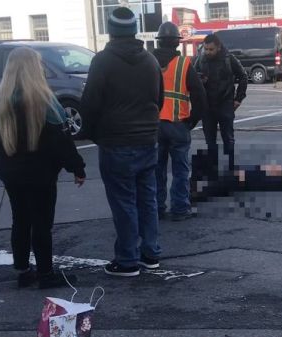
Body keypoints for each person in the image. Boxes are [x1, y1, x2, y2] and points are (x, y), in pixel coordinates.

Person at [0, 47, 86, 289]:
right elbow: (61, 141)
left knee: (20, 219)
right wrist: (77, 168)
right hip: (40, 172)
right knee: (42, 223)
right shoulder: (45, 101)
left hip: (10, 170)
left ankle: (22, 270)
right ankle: (46, 274)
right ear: (34, 68)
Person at [80, 7, 164, 277]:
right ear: (134, 30)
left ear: (111, 30)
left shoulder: (103, 61)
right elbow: (159, 100)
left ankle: (127, 259)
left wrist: (96, 134)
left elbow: (90, 105)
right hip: (148, 140)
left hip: (116, 142)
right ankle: (150, 254)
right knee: (147, 199)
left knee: (124, 202)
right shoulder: (150, 61)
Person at [153, 21, 207, 221]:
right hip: (178, 125)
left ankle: (157, 208)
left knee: (156, 169)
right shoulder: (184, 64)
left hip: (153, 126)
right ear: (176, 42)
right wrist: (191, 121)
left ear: (159, 42)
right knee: (180, 170)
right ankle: (180, 209)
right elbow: (200, 98)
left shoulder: (147, 62)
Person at [194, 33, 247, 171]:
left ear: (218, 47)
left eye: (211, 49)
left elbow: (243, 76)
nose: (208, 52)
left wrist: (238, 99)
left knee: (228, 138)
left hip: (225, 104)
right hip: (208, 107)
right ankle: (213, 169)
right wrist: (200, 80)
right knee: (210, 141)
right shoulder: (200, 59)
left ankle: (231, 169)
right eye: (206, 49)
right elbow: (193, 78)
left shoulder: (229, 59)